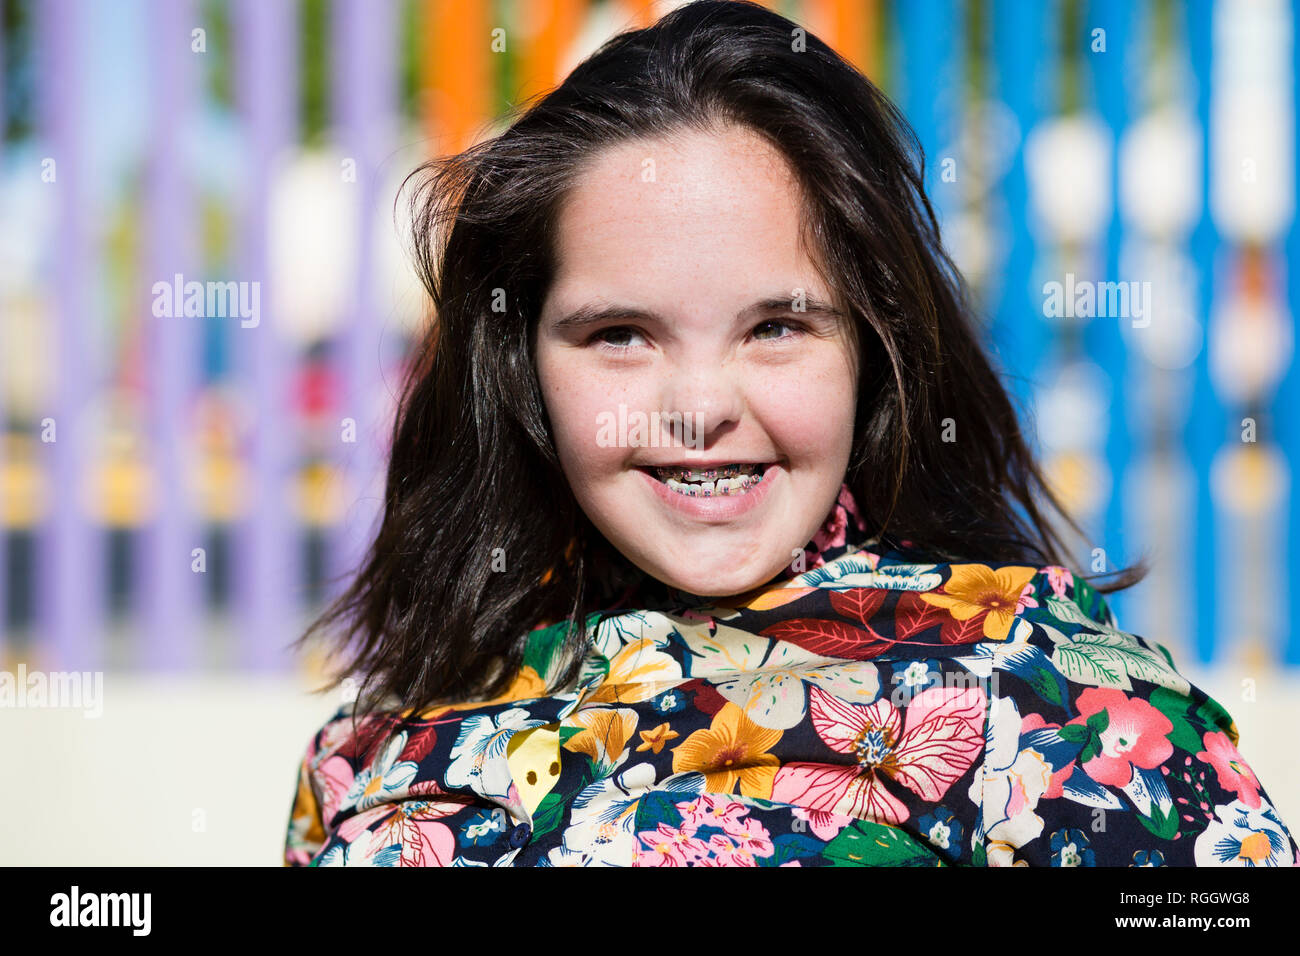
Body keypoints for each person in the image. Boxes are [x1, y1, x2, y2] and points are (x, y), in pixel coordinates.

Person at [281, 0, 1297, 867]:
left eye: (776, 327)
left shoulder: (1068, 717)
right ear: (522, 365)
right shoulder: (380, 752)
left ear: (872, 346)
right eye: (619, 333)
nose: (698, 404)